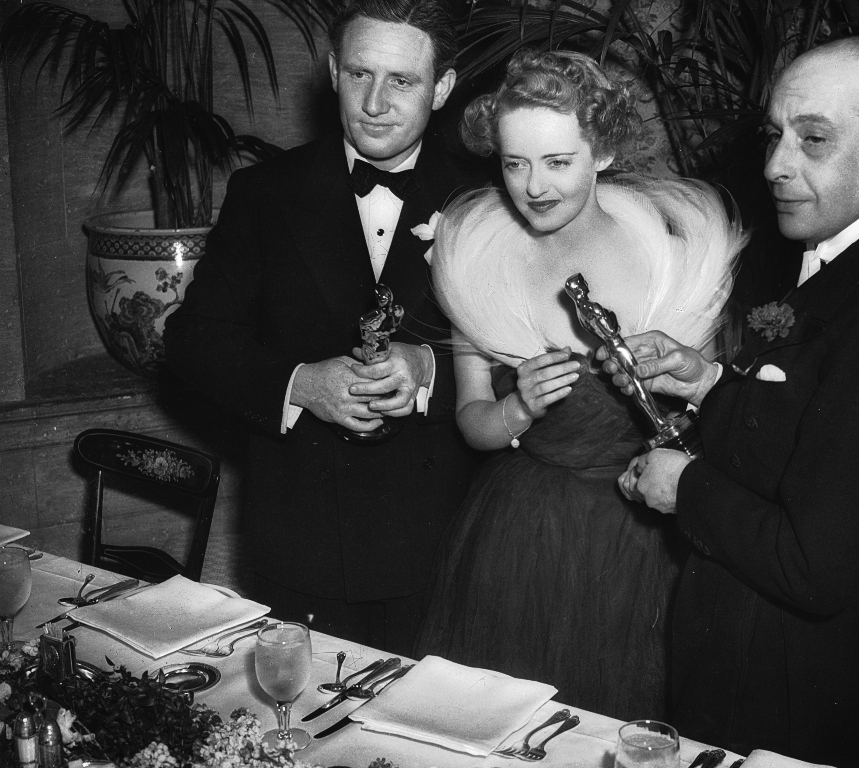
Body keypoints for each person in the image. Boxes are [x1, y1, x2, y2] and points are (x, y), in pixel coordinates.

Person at [606, 37, 859, 765]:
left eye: (813, 140)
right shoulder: (845, 257)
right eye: (776, 136)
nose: (776, 165)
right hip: (750, 669)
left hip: (794, 697)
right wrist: (709, 382)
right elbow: (813, 428)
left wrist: (686, 487)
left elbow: (815, 563)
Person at [415, 49, 745, 720]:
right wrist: (516, 407)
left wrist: (673, 379)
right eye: (514, 164)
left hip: (640, 538)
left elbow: (713, 418)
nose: (533, 186)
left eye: (557, 162)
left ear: (600, 154)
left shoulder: (671, 259)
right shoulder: (481, 257)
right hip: (518, 536)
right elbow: (472, 422)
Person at [163, 0, 485, 657]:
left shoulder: (483, 201)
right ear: (334, 71)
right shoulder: (263, 193)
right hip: (301, 541)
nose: (374, 102)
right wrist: (301, 383)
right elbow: (193, 342)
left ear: (442, 88)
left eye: (402, 81)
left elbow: (527, 358)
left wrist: (427, 370)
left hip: (443, 542)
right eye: (360, 74)